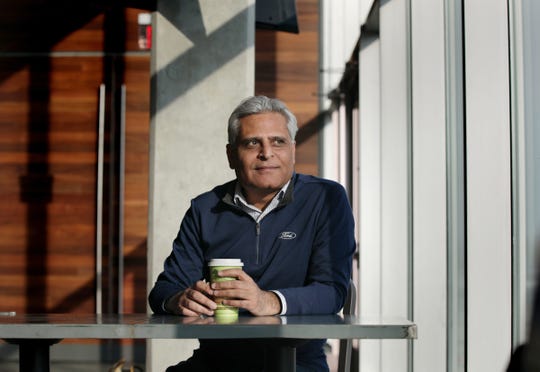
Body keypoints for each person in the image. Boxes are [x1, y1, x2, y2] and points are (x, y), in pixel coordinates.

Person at [148, 95, 356, 372]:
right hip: (216, 364)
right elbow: (162, 290)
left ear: (293, 150)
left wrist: (266, 300)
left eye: (278, 141)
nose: (266, 152)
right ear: (231, 155)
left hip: (296, 365)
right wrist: (178, 299)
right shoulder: (204, 208)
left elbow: (332, 292)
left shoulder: (326, 199)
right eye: (252, 143)